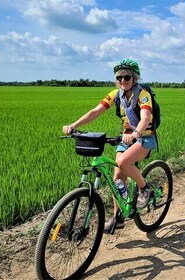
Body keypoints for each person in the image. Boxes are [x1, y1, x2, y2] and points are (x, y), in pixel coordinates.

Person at [62, 58, 157, 233]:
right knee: (117, 179)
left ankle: (145, 190)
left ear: (134, 78)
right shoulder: (116, 94)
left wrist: (136, 133)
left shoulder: (143, 94)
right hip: (126, 139)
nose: (122, 81)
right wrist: (74, 125)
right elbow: (96, 111)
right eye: (118, 77)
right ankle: (118, 218)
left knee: (123, 162)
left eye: (126, 77)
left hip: (145, 138)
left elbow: (145, 118)